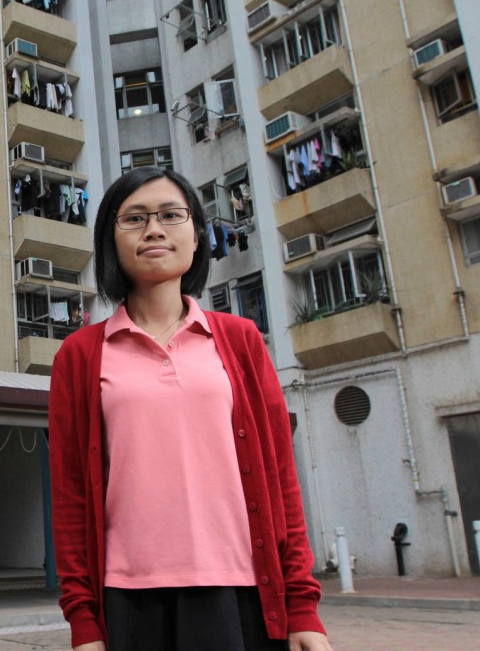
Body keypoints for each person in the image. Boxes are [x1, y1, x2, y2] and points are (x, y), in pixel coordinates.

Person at [48, 167, 332, 651]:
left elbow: (281, 476)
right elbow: (71, 495)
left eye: (170, 215)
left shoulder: (240, 340)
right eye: (134, 218)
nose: (153, 229)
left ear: (196, 236)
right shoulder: (80, 355)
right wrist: (84, 622)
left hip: (240, 590)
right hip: (128, 599)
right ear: (110, 240)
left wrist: (303, 608)